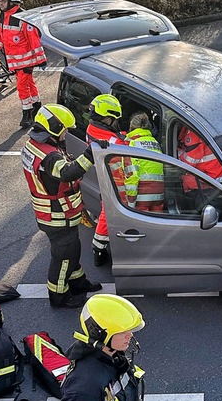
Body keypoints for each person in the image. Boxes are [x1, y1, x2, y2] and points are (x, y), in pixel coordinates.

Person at [21, 104, 100, 309]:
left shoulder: (35, 146)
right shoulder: (49, 156)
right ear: (55, 128)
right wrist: (90, 154)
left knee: (72, 250)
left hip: (55, 213)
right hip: (56, 216)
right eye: (64, 130)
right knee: (63, 258)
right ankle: (60, 297)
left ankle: (78, 284)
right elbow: (66, 173)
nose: (66, 134)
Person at [0, 0, 44, 128]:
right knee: (29, 83)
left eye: (2, 1)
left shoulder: (22, 18)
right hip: (14, 61)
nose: (0, 4)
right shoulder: (0, 17)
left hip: (26, 61)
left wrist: (41, 59)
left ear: (12, 1)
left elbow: (34, 40)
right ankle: (37, 105)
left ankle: (27, 113)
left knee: (22, 86)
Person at [85, 94, 128, 266]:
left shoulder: (91, 129)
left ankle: (100, 245)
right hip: (115, 182)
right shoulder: (113, 142)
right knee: (108, 213)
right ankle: (98, 248)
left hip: (104, 177)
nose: (116, 123)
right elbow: (125, 149)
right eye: (114, 119)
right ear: (106, 118)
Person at [125, 123, 165, 212]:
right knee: (157, 223)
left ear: (132, 128)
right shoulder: (155, 142)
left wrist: (130, 202)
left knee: (139, 225)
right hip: (158, 195)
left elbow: (133, 175)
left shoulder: (132, 144)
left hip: (142, 197)